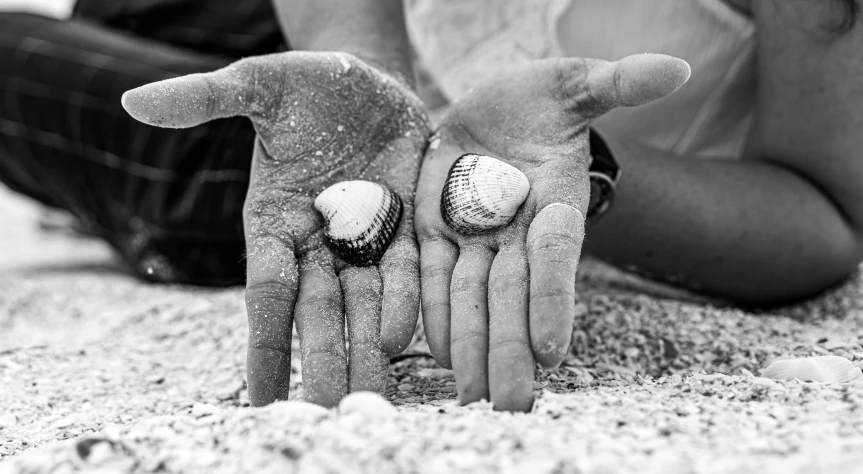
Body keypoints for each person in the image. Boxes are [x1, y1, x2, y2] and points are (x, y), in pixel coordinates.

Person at [1, 0, 862, 412]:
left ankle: (128, 204)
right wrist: (356, 73)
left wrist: (585, 157)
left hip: (417, 186)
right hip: (344, 114)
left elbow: (826, 218)